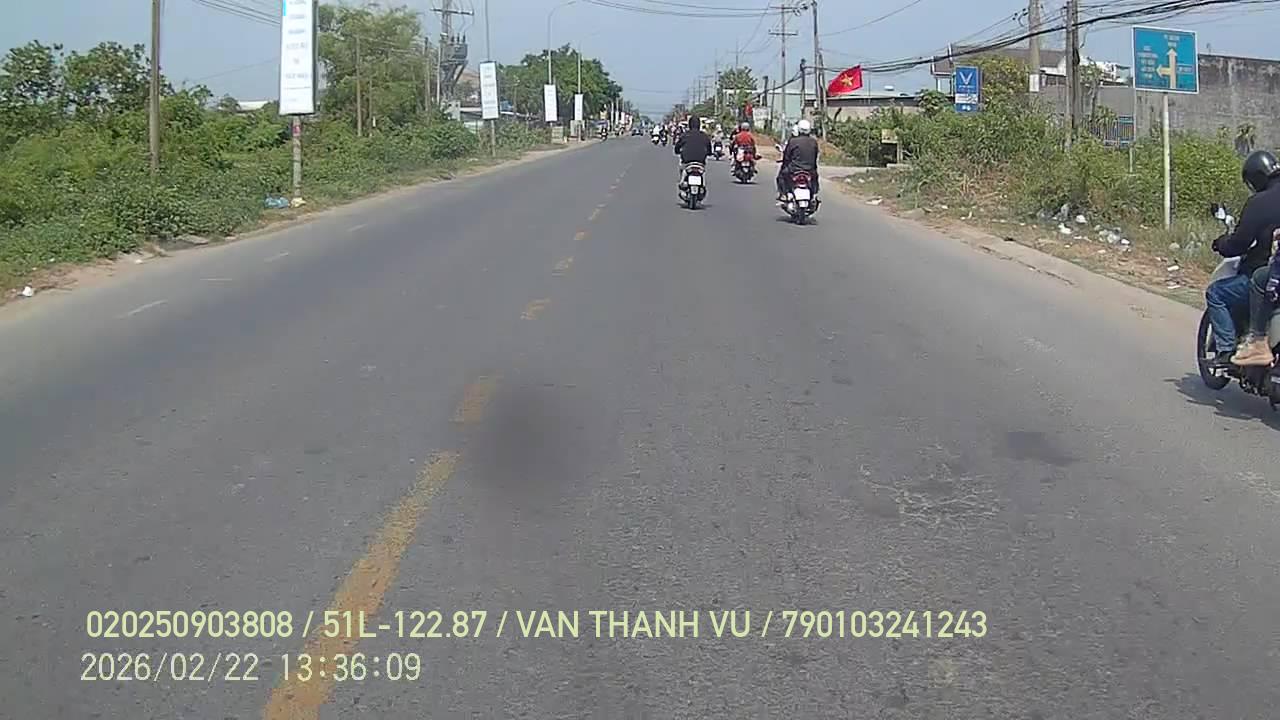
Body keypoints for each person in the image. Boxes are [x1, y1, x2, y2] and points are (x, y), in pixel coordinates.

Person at [1205, 150, 1280, 367]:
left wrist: (1221, 244)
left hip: (1268, 275)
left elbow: (1239, 243)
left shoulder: (1259, 202)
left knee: (1216, 293)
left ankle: (1228, 350)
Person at [776, 118, 820, 202]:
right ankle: (814, 195)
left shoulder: (793, 141)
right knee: (815, 178)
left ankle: (785, 194)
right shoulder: (813, 142)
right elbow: (815, 157)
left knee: (781, 176)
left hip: (794, 169)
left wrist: (784, 165)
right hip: (809, 169)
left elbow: (787, 157)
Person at [674, 115, 713, 186]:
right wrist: (709, 153)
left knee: (682, 167)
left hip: (687, 161)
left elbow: (677, 146)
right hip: (700, 161)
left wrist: (677, 151)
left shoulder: (685, 135)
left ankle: (682, 181)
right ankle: (702, 184)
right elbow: (709, 148)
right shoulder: (704, 136)